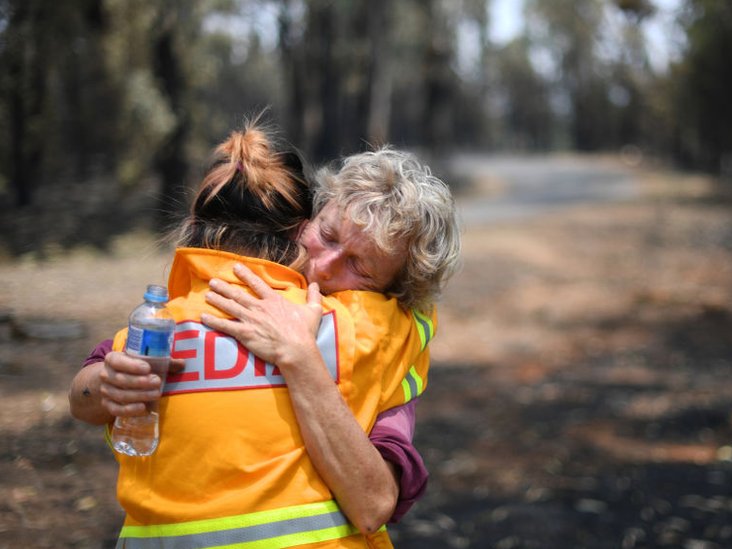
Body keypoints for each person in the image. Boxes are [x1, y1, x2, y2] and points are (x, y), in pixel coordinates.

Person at [67, 122, 460, 547]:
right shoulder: (215, 298)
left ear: (391, 293)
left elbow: (373, 504)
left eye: (360, 268)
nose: (325, 266)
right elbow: (87, 393)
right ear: (303, 220)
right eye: (326, 235)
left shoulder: (381, 334)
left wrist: (301, 358)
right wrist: (106, 382)